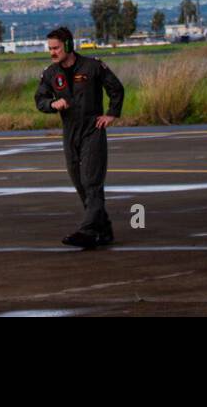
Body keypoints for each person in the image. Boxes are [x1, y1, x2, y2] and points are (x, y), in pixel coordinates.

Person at [34, 26, 124, 249]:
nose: (52, 52)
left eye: (56, 48)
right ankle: (103, 229)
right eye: (50, 49)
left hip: (92, 130)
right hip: (70, 133)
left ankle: (87, 230)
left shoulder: (93, 66)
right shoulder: (50, 74)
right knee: (78, 182)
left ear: (68, 46)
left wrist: (112, 113)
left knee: (91, 182)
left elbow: (116, 89)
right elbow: (40, 99)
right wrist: (52, 104)